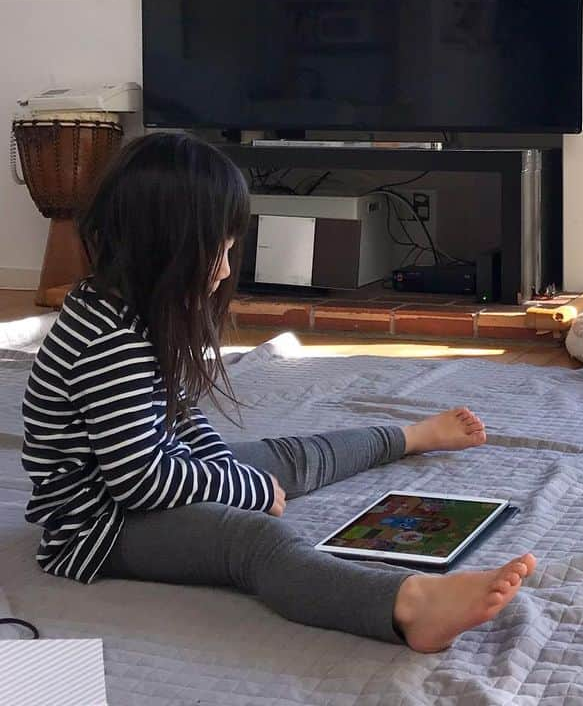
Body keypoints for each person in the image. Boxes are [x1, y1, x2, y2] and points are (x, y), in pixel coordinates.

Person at [21, 132, 535, 652]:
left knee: (284, 456)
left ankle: (407, 436)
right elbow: (142, 484)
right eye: (215, 254)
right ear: (164, 249)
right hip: (101, 525)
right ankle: (407, 605)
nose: (223, 273)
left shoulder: (130, 307)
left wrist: (224, 468)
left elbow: (177, 414)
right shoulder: (109, 341)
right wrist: (249, 492)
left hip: (145, 476)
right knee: (255, 541)